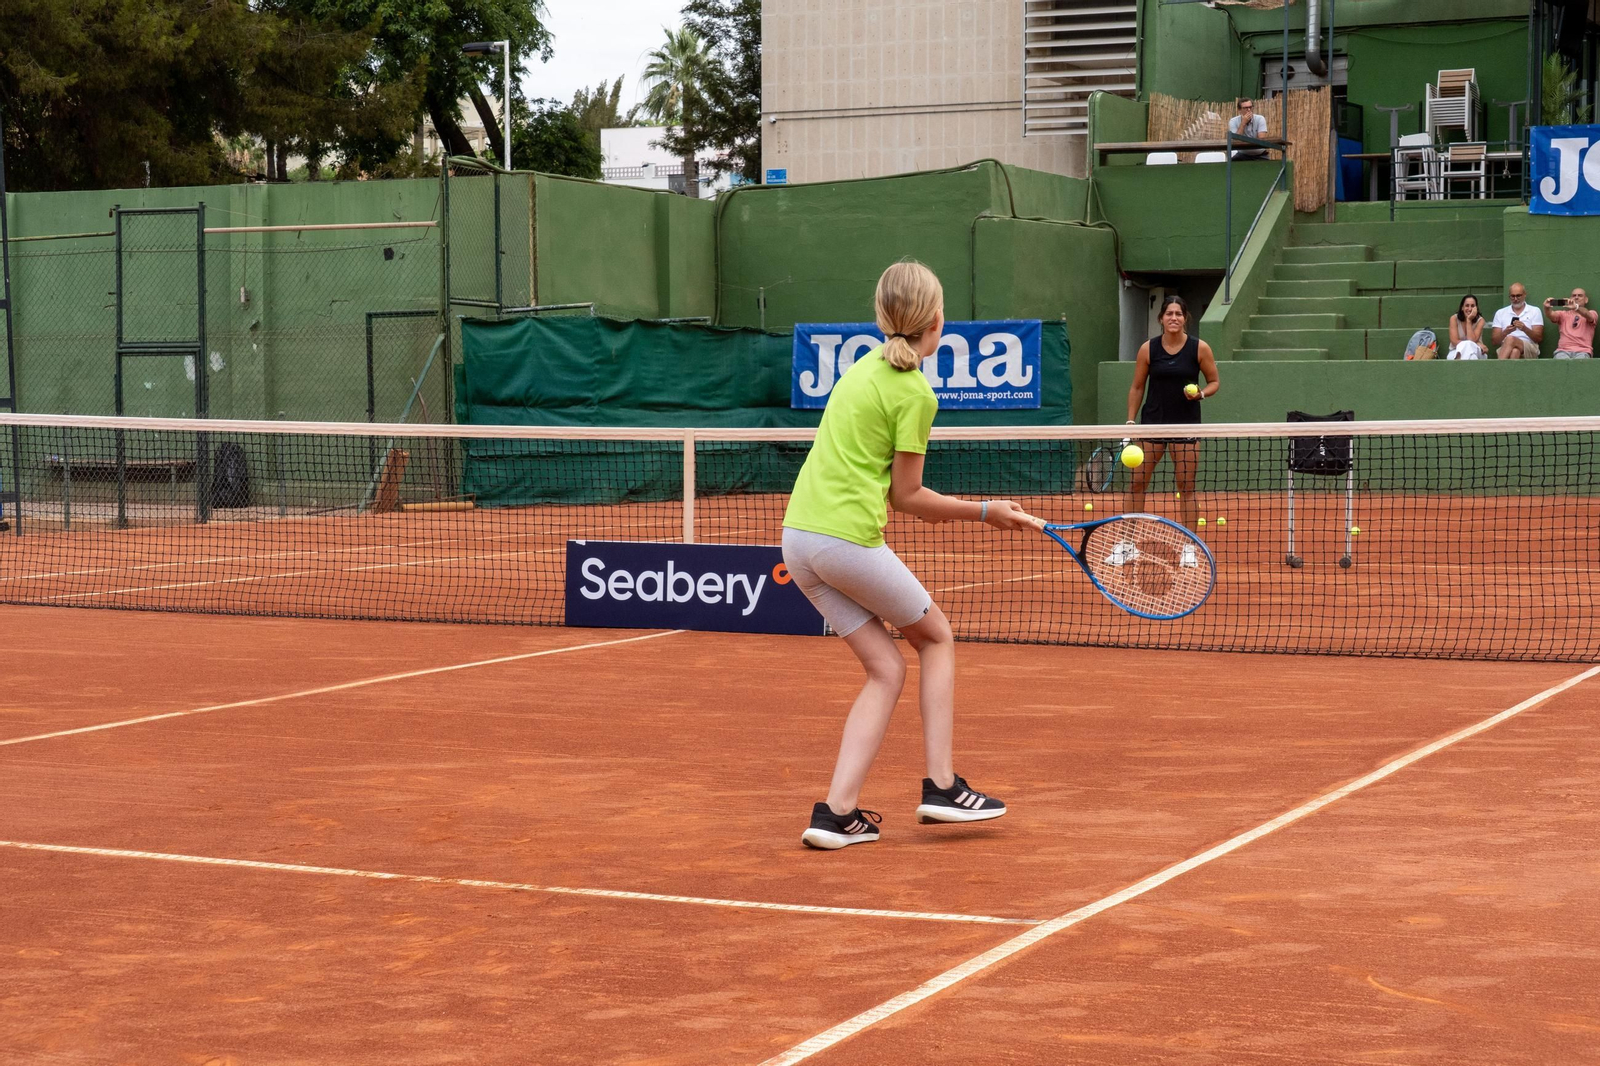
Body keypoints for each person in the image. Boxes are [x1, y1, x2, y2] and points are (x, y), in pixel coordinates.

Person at [782, 260, 1031, 850]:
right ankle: (942, 786)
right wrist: (985, 511)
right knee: (936, 638)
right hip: (844, 543)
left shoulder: (859, 369)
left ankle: (836, 813)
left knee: (887, 668)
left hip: (799, 541)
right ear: (937, 322)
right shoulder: (914, 391)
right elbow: (908, 496)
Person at [1117, 294, 1220, 568]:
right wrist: (1130, 423)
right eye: (1169, 313)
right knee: (1137, 484)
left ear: (1186, 318)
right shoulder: (1147, 350)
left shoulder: (1200, 349)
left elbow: (1214, 382)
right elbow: (1137, 387)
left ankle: (1188, 548)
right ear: (1161, 318)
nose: (1174, 318)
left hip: (1186, 426)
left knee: (1186, 487)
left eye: (1178, 313)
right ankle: (1127, 545)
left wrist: (1201, 394)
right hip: (1153, 424)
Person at [1491, 283, 1544, 359]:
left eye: (1518, 295)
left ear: (1525, 295)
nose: (1515, 299)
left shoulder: (1535, 311)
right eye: (1512, 296)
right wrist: (1506, 332)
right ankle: (1506, 370)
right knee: (1515, 351)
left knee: (1510, 339)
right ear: (1509, 296)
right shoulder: (1500, 313)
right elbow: (1494, 341)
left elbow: (1539, 338)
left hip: (1529, 347)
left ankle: (1498, 367)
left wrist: (1524, 328)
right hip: (1505, 348)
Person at [1544, 286, 1596, 359]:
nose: (1576, 297)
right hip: (1563, 351)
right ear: (1570, 299)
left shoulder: (1592, 313)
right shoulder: (1563, 314)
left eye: (1580, 296)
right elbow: (1551, 315)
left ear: (1586, 300)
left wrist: (1576, 307)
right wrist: (1546, 308)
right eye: (1574, 296)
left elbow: (1589, 316)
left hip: (1583, 351)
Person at [1447, 295, 1486, 359]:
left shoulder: (1481, 320)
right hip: (1455, 350)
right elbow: (1454, 341)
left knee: (1471, 353)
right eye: (1467, 305)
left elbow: (1472, 340)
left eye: (1472, 306)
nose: (1470, 309)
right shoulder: (1454, 319)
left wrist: (1468, 320)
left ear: (1476, 308)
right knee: (1472, 357)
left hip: (1476, 351)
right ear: (1462, 307)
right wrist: (1476, 343)